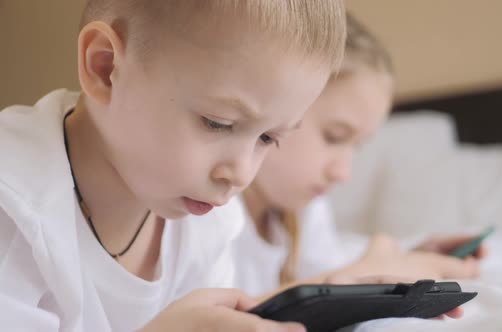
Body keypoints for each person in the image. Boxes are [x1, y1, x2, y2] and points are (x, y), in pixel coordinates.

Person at [0, 1, 346, 331]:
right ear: (105, 69)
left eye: (268, 138)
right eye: (218, 123)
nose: (241, 174)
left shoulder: (210, 224)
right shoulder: (14, 207)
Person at [234, 13, 487, 299]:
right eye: (335, 137)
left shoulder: (302, 210)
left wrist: (403, 262)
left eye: (357, 147)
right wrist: (364, 273)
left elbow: (326, 283)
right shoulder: (207, 206)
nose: (343, 173)